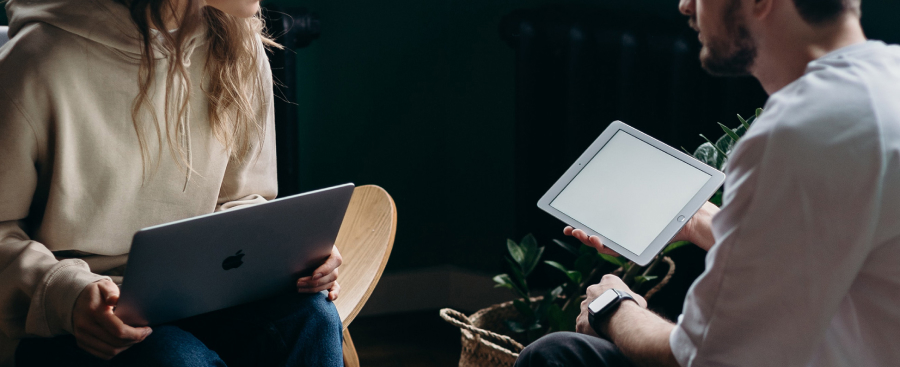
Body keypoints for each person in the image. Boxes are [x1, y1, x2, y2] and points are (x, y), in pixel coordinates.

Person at [516, 0, 900, 366]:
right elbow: (825, 250)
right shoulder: (885, 82)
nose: (686, 6)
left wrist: (612, 308)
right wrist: (699, 221)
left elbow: (706, 358)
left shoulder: (801, 128)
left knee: (557, 354)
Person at [0, 0, 344, 365]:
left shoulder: (238, 44)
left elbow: (242, 200)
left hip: (202, 294)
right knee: (177, 359)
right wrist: (66, 297)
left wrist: (289, 253)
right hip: (77, 321)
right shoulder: (38, 62)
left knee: (311, 318)